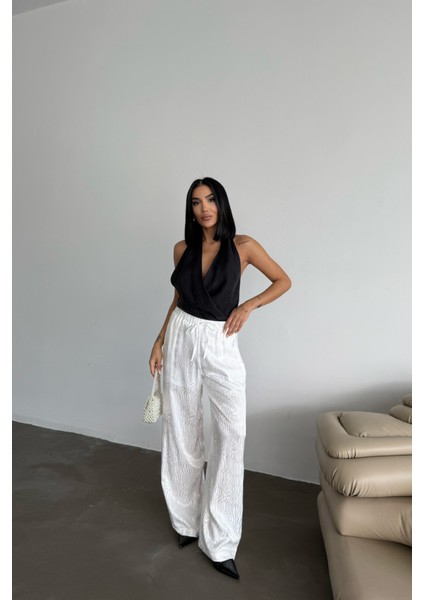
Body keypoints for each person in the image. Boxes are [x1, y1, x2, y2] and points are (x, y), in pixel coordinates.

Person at [149, 177, 291, 579]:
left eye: (210, 199)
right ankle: (186, 522)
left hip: (220, 341)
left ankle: (221, 540)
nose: (204, 208)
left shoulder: (243, 246)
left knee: (231, 434)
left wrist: (249, 305)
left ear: (221, 203)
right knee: (181, 428)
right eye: (196, 202)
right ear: (191, 210)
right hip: (181, 335)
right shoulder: (182, 249)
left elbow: (283, 280)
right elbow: (178, 299)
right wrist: (159, 340)